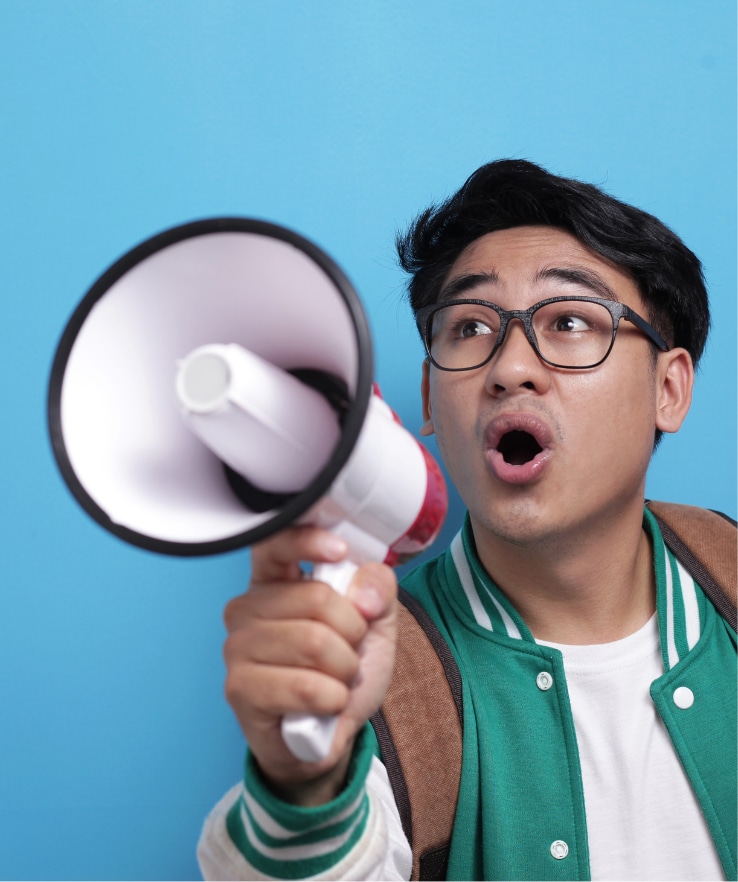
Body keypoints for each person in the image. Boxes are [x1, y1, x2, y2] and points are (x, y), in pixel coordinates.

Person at [197, 160, 737, 881]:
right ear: (427, 395)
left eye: (570, 321)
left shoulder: (726, 577)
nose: (511, 367)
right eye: (471, 327)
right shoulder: (382, 676)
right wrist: (304, 784)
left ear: (668, 389)